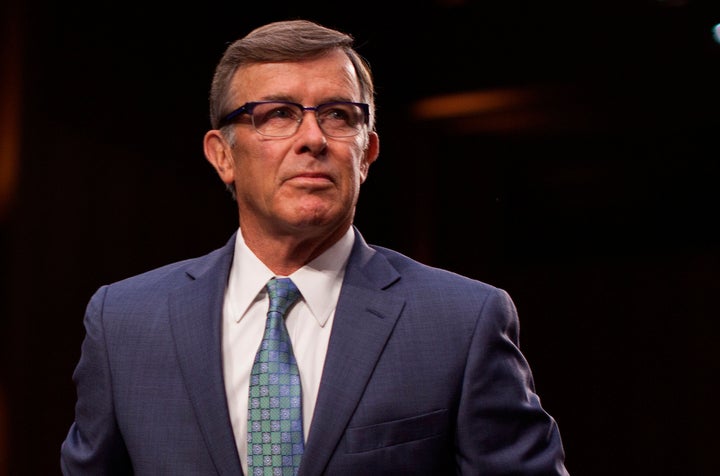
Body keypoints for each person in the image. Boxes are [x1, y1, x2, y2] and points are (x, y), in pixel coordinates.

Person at [60, 19, 569, 475]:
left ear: (366, 153)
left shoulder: (461, 321)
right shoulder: (124, 321)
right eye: (278, 114)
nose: (313, 138)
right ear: (222, 156)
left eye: (338, 115)